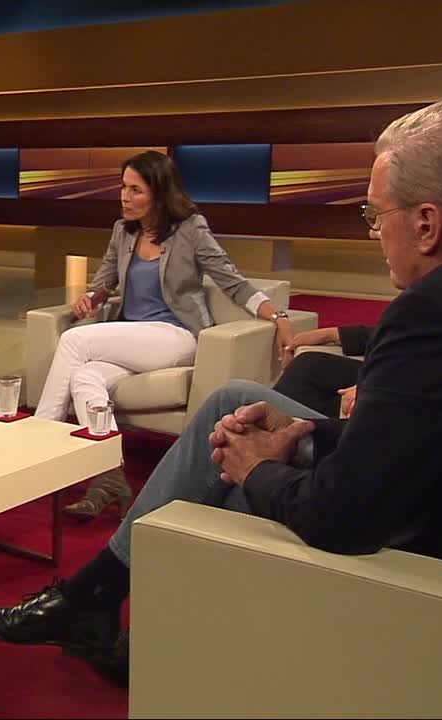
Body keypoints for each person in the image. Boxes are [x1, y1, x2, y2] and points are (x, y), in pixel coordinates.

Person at [0, 97, 442, 686]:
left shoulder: (438, 312)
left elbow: (340, 518)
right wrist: (306, 435)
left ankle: (116, 612)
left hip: (438, 572)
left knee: (226, 470)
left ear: (428, 224)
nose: (374, 231)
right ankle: (98, 599)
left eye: (375, 214)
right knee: (235, 402)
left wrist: (260, 467)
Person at [38, 150, 296, 519]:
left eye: (135, 190)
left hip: (176, 335)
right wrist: (92, 298)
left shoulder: (191, 230)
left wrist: (278, 316)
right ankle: (108, 474)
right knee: (85, 377)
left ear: (159, 193)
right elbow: (104, 281)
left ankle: (39, 444)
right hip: (135, 336)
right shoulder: (123, 231)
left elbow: (233, 282)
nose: (125, 197)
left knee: (74, 341)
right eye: (123, 187)